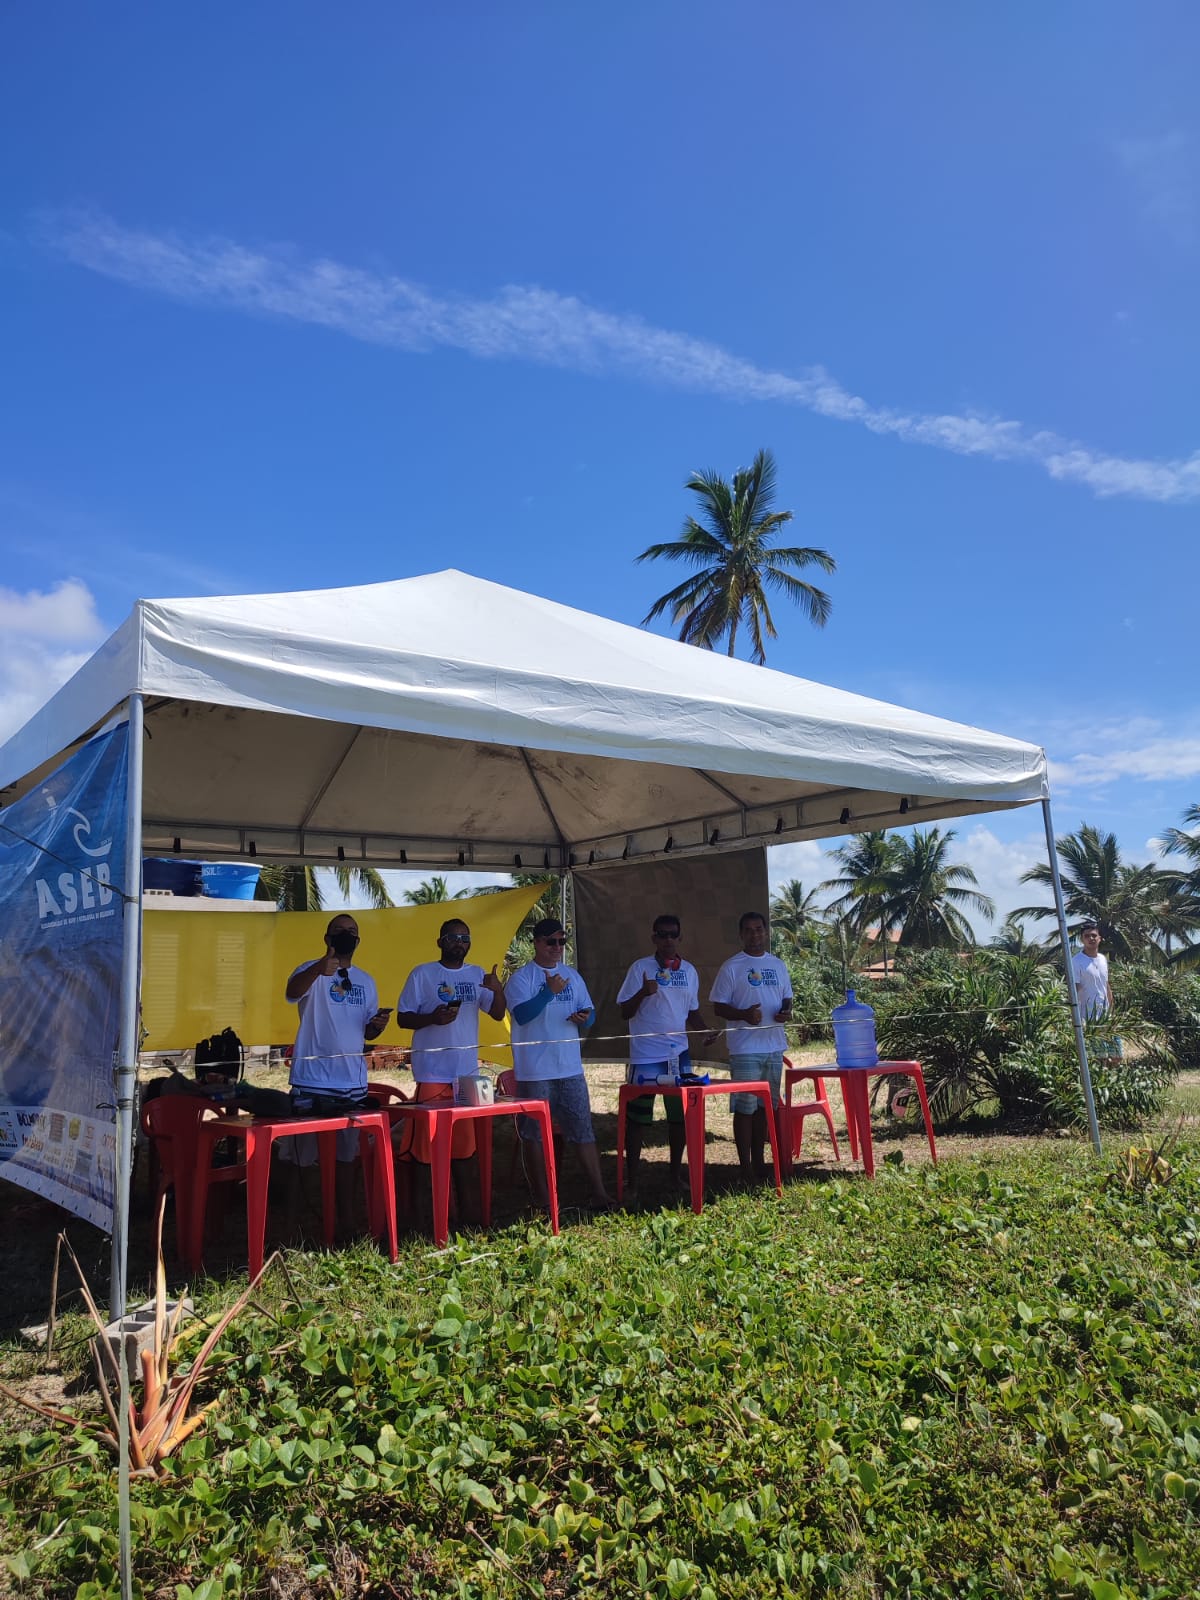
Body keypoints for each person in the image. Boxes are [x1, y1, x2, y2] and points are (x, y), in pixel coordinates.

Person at [280, 913, 392, 1236]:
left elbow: (366, 1031)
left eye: (351, 931)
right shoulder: (309, 970)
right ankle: (291, 1229)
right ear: (327, 938)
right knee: (300, 1159)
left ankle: (346, 1223)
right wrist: (320, 968)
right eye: (339, 931)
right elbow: (291, 992)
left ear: (358, 941)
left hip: (352, 1085)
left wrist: (377, 1026)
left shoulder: (366, 981)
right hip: (311, 1083)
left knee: (347, 1157)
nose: (346, 935)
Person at [505, 918, 613, 1210]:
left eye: (561, 941)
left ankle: (600, 1193)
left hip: (570, 1069)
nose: (557, 947)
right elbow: (522, 1016)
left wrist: (584, 1018)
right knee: (534, 1136)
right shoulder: (522, 978)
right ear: (536, 943)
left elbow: (589, 1014)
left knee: (583, 1131)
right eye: (550, 941)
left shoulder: (572, 976)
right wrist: (547, 992)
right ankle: (543, 1199)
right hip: (535, 1071)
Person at [395, 918, 506, 1176]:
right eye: (453, 938)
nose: (460, 943)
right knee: (425, 1152)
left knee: (464, 1152)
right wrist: (432, 1018)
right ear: (440, 942)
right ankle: (424, 1202)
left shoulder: (477, 974)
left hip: (467, 1074)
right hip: (432, 1073)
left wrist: (498, 991)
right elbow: (402, 1018)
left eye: (465, 939)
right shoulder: (422, 974)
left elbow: (498, 1014)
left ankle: (462, 1202)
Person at [616, 913, 716, 1197]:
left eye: (673, 934)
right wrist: (643, 993)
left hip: (678, 1055)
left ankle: (675, 1176)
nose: (668, 939)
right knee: (638, 1119)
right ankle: (633, 1182)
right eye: (662, 934)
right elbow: (624, 1011)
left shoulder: (690, 971)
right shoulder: (640, 968)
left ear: (680, 937)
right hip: (646, 1056)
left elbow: (692, 1011)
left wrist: (704, 1032)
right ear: (654, 938)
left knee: (679, 1117)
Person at [710, 911, 793, 1183]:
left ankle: (760, 1163)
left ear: (766, 932)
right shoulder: (732, 967)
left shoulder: (778, 964)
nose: (754, 934)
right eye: (748, 930)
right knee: (745, 1108)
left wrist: (785, 1012)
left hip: (774, 1046)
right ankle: (744, 1168)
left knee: (764, 1108)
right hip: (745, 1047)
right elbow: (719, 1006)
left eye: (759, 929)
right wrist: (744, 1015)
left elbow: (787, 998)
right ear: (741, 935)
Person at [1071, 920, 1113, 1020]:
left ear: (1099, 939)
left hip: (1105, 1016)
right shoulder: (1076, 961)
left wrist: (1112, 1011)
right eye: (1087, 936)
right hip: (1086, 1017)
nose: (1091, 938)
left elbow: (1106, 985)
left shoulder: (1102, 959)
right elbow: (1074, 989)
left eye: (1094, 935)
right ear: (1082, 940)